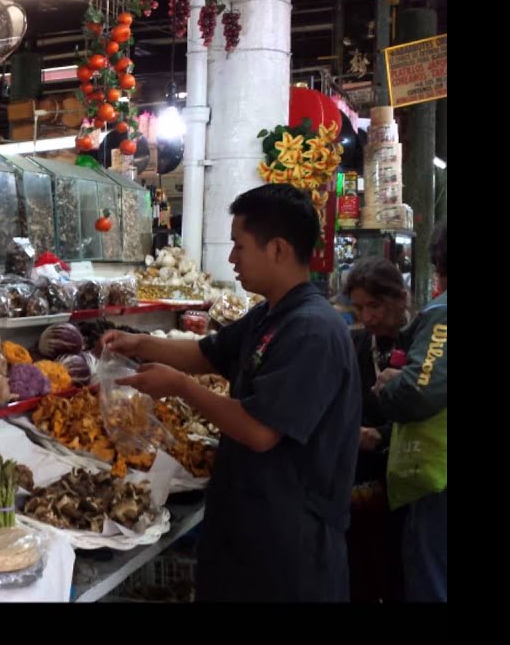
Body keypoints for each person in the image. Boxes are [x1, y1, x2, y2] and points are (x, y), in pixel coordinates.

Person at [102, 183, 362, 602]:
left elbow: (261, 431)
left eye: (239, 246)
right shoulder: (271, 314)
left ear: (277, 249)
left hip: (289, 545)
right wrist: (137, 344)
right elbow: (207, 352)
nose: (231, 259)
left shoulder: (312, 330)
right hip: (249, 528)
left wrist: (178, 387)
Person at [375, 219, 447, 602]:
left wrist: (389, 385)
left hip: (437, 477)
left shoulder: (443, 313)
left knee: (430, 581)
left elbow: (419, 393)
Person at [343, 257, 411, 602]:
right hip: (362, 485)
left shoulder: (423, 346)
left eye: (375, 305)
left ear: (401, 298)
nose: (368, 317)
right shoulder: (353, 345)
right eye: (359, 308)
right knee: (360, 573)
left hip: (410, 481)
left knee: (401, 573)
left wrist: (381, 434)